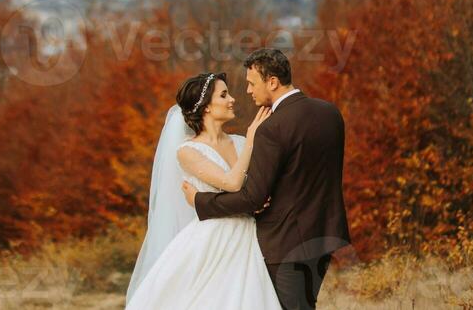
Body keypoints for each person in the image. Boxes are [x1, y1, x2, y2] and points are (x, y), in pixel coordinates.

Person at [182, 48, 351, 310]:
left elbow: (253, 197)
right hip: (325, 234)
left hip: (285, 244)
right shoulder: (330, 113)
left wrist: (201, 201)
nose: (248, 91)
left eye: (252, 83)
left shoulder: (272, 127)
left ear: (272, 82)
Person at [124, 69, 282, 309]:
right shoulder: (188, 151)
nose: (232, 100)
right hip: (212, 241)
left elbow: (257, 189)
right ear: (206, 107)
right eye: (224, 95)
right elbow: (232, 183)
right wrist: (252, 139)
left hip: (249, 236)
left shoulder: (240, 142)